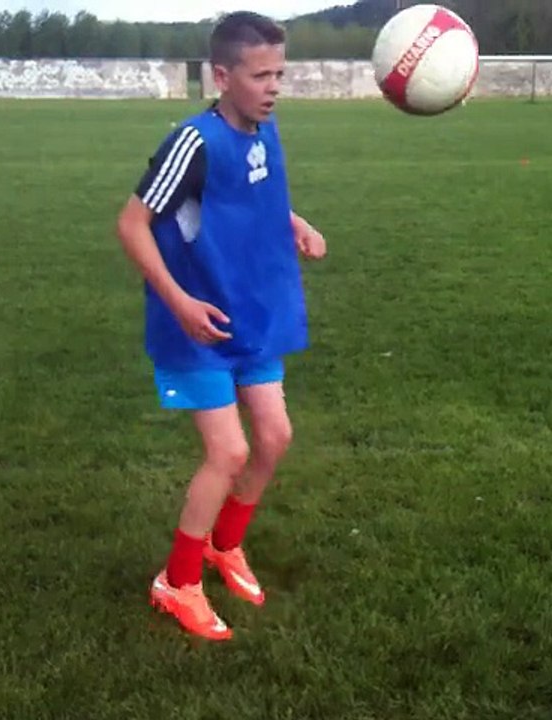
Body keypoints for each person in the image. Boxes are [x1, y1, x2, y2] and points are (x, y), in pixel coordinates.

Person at [116, 11, 327, 641]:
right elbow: (131, 225)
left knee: (273, 438)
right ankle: (176, 582)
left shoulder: (266, 129)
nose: (273, 86)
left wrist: (296, 224)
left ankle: (223, 545)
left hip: (253, 314)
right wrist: (179, 301)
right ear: (221, 75)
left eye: (279, 73)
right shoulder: (194, 142)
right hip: (198, 323)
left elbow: (254, 196)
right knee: (229, 451)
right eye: (260, 74)